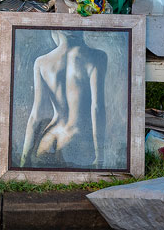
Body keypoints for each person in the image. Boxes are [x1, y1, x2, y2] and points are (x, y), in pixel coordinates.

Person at [20, 30, 107, 168]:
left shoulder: (42, 62)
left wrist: (24, 160)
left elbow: (36, 115)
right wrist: (100, 157)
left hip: (49, 138)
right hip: (76, 138)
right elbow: (97, 108)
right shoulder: (97, 57)